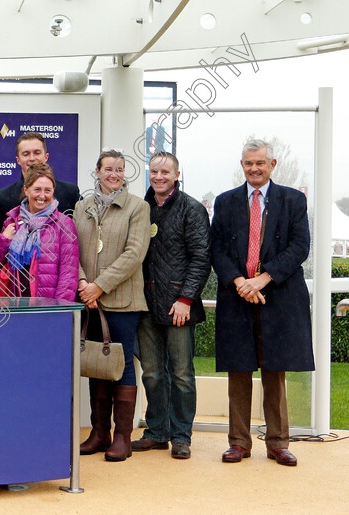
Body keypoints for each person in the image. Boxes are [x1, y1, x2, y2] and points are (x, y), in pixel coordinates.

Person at [211, 138, 314, 467]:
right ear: (242, 165)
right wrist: (241, 282)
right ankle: (238, 442)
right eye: (247, 163)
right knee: (238, 370)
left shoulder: (293, 200)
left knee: (275, 370)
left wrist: (263, 278)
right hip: (237, 297)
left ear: (272, 165)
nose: (253, 168)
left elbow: (300, 247)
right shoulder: (225, 202)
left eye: (259, 163)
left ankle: (278, 442)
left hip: (278, 296)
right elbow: (217, 250)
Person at [131, 152, 211, 460]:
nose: (159, 176)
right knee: (151, 372)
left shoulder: (192, 209)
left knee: (181, 374)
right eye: (154, 171)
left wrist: (185, 299)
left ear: (177, 174)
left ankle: (181, 436)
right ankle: (156, 432)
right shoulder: (142, 208)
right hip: (146, 305)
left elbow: (202, 259)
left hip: (180, 306)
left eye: (166, 171)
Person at [74, 148, 150, 462]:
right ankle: (99, 433)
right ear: (97, 172)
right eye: (108, 169)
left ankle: (122, 437)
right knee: (97, 366)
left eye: (119, 169)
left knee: (120, 366)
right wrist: (81, 283)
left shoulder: (138, 207)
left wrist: (99, 286)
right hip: (89, 301)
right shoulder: (81, 207)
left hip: (122, 301)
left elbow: (134, 254)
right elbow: (71, 249)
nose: (114, 174)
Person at [0, 163, 78, 301]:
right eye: (37, 189)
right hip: (16, 307)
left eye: (48, 190)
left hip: (48, 310)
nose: (42, 196)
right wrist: (3, 241)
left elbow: (68, 276)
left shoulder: (64, 224)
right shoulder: (12, 221)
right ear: (26, 190)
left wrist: (59, 310)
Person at [0, 132, 82, 234]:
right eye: (26, 154)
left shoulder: (69, 193)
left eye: (37, 153)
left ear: (46, 156)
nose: (32, 158)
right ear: (18, 160)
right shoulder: (3, 197)